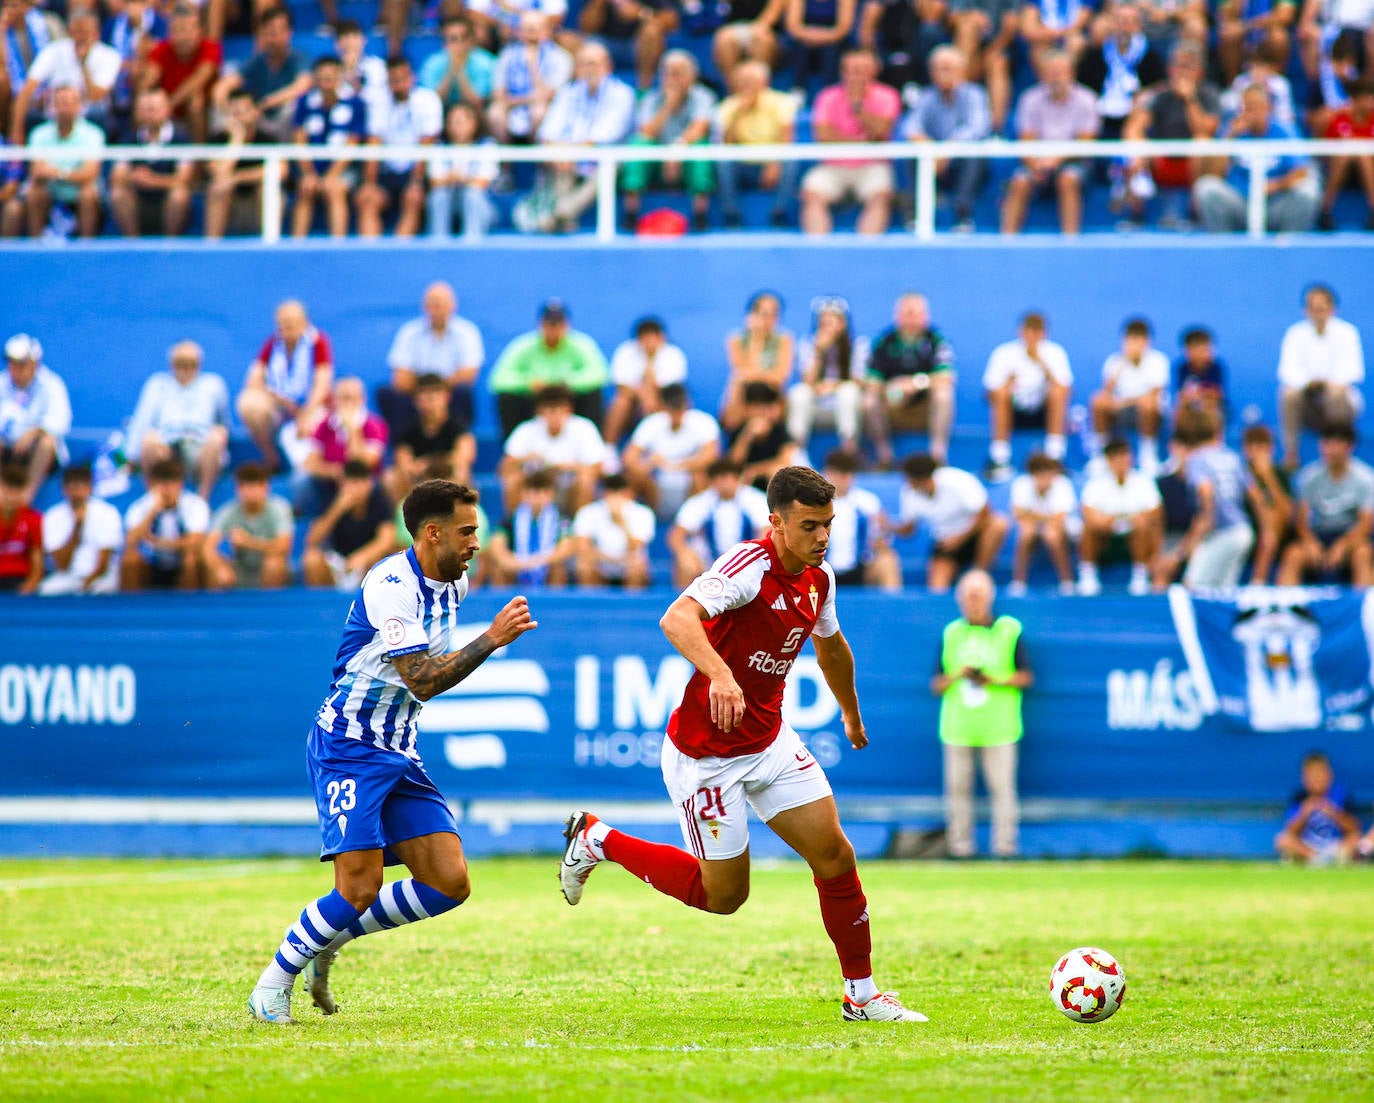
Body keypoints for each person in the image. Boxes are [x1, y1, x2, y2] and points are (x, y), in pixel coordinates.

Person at [558, 465, 927, 1024]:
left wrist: (851, 714)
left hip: (771, 742)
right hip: (706, 758)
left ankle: (863, 995)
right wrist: (722, 676)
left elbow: (832, 650)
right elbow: (677, 618)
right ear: (775, 522)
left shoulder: (818, 578)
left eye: (828, 524)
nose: (822, 537)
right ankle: (598, 839)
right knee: (724, 897)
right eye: (809, 526)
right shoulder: (747, 567)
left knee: (835, 856)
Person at [247, 479, 538, 1024]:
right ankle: (272, 983)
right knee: (358, 886)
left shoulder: (456, 582)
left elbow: (422, 681)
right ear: (432, 533)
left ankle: (327, 940)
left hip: (399, 750)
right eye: (467, 531)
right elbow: (423, 679)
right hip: (349, 746)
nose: (478, 541)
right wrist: (492, 640)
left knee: (449, 883)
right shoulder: (391, 585)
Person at [930, 569, 1031, 859]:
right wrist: (958, 675)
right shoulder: (952, 632)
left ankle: (1005, 848)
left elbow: (1025, 677)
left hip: (1000, 726)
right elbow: (937, 683)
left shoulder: (1009, 629)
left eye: (978, 596)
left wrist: (993, 679)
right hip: (958, 726)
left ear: (989, 598)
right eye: (968, 596)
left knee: (1003, 791)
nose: (973, 602)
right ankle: (960, 849)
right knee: (957, 792)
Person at [799, 49, 901, 236]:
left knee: (880, 196)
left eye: (862, 70)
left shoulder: (888, 96)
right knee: (812, 192)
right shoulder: (827, 97)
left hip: (872, 165)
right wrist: (863, 141)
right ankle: (817, 249)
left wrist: (858, 108)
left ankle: (866, 249)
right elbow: (823, 137)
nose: (857, 76)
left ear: (874, 71)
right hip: (833, 165)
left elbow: (880, 133)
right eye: (852, 70)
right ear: (843, 72)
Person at [536, 41, 636, 232]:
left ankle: (560, 214)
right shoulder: (568, 92)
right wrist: (560, 151)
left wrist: (571, 151)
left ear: (608, 66)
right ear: (577, 68)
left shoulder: (623, 94)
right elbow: (548, 131)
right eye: (584, 64)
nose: (589, 69)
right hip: (568, 157)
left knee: (607, 166)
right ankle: (563, 222)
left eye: (594, 63)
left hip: (604, 159)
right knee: (559, 162)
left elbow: (608, 134)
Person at [1192, 84, 1319, 234]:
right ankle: (1223, 247)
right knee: (1206, 188)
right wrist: (1229, 137)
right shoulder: (1232, 129)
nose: (1248, 113)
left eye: (1253, 108)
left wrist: (1276, 185)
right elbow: (1213, 173)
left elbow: (1301, 171)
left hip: (1274, 203)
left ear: (1267, 108)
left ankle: (1289, 246)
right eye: (1245, 107)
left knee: (1308, 191)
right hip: (1240, 201)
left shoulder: (1284, 131)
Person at [619, 49, 717, 232]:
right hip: (657, 162)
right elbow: (646, 131)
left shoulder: (704, 96)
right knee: (638, 144)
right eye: (668, 73)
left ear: (692, 76)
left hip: (684, 156)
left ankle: (700, 214)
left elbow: (700, 127)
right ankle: (631, 212)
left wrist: (677, 148)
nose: (673, 78)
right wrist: (668, 105)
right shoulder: (651, 98)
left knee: (700, 147)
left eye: (678, 73)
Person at [124, 340, 231, 503]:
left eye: (191, 363)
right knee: (149, 439)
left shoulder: (214, 385)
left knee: (217, 436)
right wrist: (131, 457)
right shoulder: (157, 384)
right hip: (166, 450)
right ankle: (154, 500)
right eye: (180, 363)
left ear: (199, 364)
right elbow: (142, 421)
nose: (186, 368)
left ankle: (203, 499)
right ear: (171, 364)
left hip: (199, 450)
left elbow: (223, 422)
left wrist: (220, 434)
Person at [900, 45, 993, 232]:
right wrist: (932, 151)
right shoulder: (926, 96)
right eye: (937, 69)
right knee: (915, 156)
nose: (942, 74)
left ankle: (962, 215)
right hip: (935, 162)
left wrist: (946, 150)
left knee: (973, 155)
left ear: (962, 71)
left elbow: (977, 128)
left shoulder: (975, 94)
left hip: (962, 162)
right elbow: (910, 127)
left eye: (948, 68)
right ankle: (919, 215)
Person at [1160, 407, 1254, 590]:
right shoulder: (1231, 457)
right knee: (1223, 592)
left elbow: (1206, 492)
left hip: (1222, 532)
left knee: (1193, 587)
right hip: (1243, 531)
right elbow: (1255, 495)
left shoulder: (1197, 460)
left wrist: (1181, 553)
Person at [380, 281, 485, 442]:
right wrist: (425, 393)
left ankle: (458, 444)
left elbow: (469, 374)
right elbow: (400, 377)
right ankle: (402, 447)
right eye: (432, 304)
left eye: (441, 304)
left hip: (449, 392)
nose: (437, 309)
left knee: (463, 392)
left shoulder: (467, 332)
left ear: (453, 305)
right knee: (388, 393)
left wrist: (436, 391)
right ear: (424, 306)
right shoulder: (409, 332)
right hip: (415, 392)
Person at [237, 300, 334, 474]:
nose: (288, 327)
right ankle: (272, 459)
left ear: (305, 322)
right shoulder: (273, 343)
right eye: (284, 323)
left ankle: (307, 471)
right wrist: (278, 398)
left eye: (293, 323)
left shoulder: (318, 342)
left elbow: (322, 384)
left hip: (310, 406)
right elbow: (252, 380)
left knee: (311, 426)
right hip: (280, 406)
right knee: (248, 403)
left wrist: (306, 414)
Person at [488, 298, 610, 438]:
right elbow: (498, 379)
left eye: (558, 323)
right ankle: (511, 447)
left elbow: (599, 374)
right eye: (550, 323)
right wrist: (528, 382)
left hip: (571, 397)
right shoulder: (523, 345)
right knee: (507, 398)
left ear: (567, 324)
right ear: (540, 324)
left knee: (594, 395)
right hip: (533, 399)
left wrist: (567, 383)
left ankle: (594, 445)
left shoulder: (582, 344)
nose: (554, 328)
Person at [1277, 283, 1365, 471]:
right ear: (1306, 310)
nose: (1317, 313)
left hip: (1340, 402)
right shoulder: (1295, 334)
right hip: (1308, 401)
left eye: (1321, 308)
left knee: (1336, 394)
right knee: (1287, 395)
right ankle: (1291, 454)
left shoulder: (1347, 333)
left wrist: (1326, 384)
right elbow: (1288, 371)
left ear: (1332, 309)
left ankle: (1338, 453)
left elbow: (1351, 372)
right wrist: (1309, 384)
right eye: (1313, 308)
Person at [355, 55, 443, 239]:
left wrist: (416, 182)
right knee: (368, 199)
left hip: (415, 172)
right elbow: (374, 144)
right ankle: (371, 256)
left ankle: (399, 254)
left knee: (413, 198)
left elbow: (427, 144)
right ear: (388, 82)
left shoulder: (427, 100)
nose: (400, 84)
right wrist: (370, 183)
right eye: (394, 80)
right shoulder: (379, 103)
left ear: (412, 77)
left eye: (403, 79)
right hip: (387, 172)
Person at [895, 453, 1010, 593]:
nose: (907, 483)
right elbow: (909, 530)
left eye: (909, 479)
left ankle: (979, 574)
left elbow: (986, 514)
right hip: (945, 543)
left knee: (999, 524)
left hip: (975, 535)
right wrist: (888, 526)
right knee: (936, 590)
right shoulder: (908, 493)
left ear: (920, 480)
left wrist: (960, 538)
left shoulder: (957, 481)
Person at [864, 292, 956, 467]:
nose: (911, 319)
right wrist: (893, 389)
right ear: (897, 316)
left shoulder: (936, 340)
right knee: (869, 400)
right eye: (907, 313)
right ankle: (885, 457)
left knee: (944, 394)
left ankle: (937, 456)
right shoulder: (884, 341)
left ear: (925, 316)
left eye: (916, 313)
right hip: (893, 407)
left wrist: (916, 383)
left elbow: (947, 376)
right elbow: (871, 380)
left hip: (924, 408)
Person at [1276, 423, 1374, 586]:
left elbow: (1365, 524)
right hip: (1319, 534)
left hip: (1351, 536)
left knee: (1363, 554)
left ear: (1349, 446)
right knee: (1293, 555)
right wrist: (1310, 542)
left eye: (1335, 444)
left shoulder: (1366, 478)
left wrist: (1343, 545)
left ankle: (1364, 608)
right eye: (1325, 443)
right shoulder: (1309, 476)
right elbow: (1301, 522)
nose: (1328, 450)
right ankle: (1283, 608)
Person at [980, 311, 1072, 482]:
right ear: (1020, 331)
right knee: (1001, 393)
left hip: (1043, 412)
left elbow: (1065, 390)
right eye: (1029, 331)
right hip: (1014, 412)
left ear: (1044, 333)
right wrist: (1007, 384)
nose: (1032, 336)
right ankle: (1000, 458)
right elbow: (989, 394)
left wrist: (1043, 366)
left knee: (1057, 392)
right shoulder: (1004, 353)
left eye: (1037, 331)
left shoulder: (1055, 353)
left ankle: (1054, 457)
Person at [713, 59, 798, 229]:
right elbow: (726, 144)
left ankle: (779, 213)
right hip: (742, 165)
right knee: (722, 161)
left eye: (750, 82)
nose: (746, 86)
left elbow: (786, 137)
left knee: (791, 161)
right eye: (742, 81)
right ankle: (732, 214)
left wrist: (774, 164)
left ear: (764, 82)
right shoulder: (729, 106)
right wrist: (738, 114)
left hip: (770, 162)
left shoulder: (782, 101)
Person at [289, 55, 367, 240]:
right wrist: (309, 173)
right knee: (306, 187)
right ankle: (295, 247)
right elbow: (299, 140)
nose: (326, 83)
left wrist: (332, 175)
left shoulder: (355, 104)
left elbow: (352, 144)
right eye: (322, 79)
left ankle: (337, 246)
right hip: (312, 168)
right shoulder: (304, 103)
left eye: (330, 78)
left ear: (339, 77)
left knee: (334, 189)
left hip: (344, 170)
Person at [499, 383, 607, 514]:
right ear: (540, 410)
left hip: (569, 489)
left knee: (585, 480)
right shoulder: (526, 430)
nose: (555, 414)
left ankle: (579, 528)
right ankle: (516, 526)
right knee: (513, 480)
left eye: (559, 408)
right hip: (535, 491)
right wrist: (526, 459)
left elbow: (599, 469)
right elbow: (504, 469)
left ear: (568, 409)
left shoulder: (584, 428)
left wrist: (565, 467)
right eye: (550, 409)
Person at [18, 83, 106, 239]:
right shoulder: (39, 134)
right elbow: (37, 172)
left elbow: (90, 173)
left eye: (69, 102)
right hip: (50, 189)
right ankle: (36, 247)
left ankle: (87, 248)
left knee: (88, 194)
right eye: (60, 103)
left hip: (78, 190)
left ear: (79, 106)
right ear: (52, 106)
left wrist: (58, 173)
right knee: (34, 192)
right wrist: (70, 174)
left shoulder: (93, 134)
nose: (64, 108)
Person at [622, 382, 721, 519]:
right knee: (632, 476)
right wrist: (647, 464)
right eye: (672, 409)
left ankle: (696, 521)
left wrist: (673, 465)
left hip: (690, 488)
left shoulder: (704, 422)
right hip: (656, 489)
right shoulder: (651, 423)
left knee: (701, 474)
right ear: (663, 406)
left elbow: (711, 456)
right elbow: (628, 458)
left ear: (687, 404)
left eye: (680, 408)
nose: (677, 414)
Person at [786, 296, 870, 457]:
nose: (828, 327)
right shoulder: (808, 344)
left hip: (847, 408)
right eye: (823, 322)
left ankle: (849, 450)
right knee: (798, 392)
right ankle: (796, 451)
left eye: (833, 321)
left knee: (849, 391)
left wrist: (834, 386)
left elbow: (859, 380)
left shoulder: (858, 345)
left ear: (843, 323)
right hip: (817, 406)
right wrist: (819, 351)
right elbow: (807, 381)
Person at [1077, 437, 1161, 596]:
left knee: (1143, 525)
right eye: (1117, 457)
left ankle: (1140, 575)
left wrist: (1130, 520)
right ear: (1108, 460)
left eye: (1125, 455)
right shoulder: (1096, 483)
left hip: (1136, 534)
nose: (1122, 461)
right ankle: (1088, 575)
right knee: (1089, 528)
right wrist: (1103, 521)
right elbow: (1088, 512)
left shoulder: (1143, 481)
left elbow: (1155, 512)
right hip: (1105, 535)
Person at [668, 457, 771, 586]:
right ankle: (684, 603)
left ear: (737, 478)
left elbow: (766, 531)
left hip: (746, 562)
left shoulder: (755, 499)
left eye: (726, 477)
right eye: (716, 478)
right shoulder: (699, 502)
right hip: (706, 563)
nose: (722, 483)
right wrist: (685, 554)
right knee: (685, 564)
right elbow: (677, 535)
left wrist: (752, 557)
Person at [295, 376, 388, 518]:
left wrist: (351, 430)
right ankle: (313, 518)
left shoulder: (374, 425)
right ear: (335, 400)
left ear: (362, 399)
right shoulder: (325, 425)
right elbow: (309, 463)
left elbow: (364, 464)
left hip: (365, 483)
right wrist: (334, 471)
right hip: (332, 482)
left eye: (352, 398)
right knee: (300, 479)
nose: (348, 403)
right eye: (343, 398)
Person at [1088, 317, 1170, 476]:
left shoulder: (1158, 360)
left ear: (1147, 341)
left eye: (1139, 340)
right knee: (1098, 402)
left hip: (1151, 413)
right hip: (1121, 411)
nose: (1135, 345)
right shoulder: (1115, 361)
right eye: (1130, 339)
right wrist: (1123, 363)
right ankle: (1102, 454)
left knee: (1148, 404)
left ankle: (1148, 455)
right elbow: (1106, 392)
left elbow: (1153, 395)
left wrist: (1123, 403)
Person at [108, 87, 194, 238]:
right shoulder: (128, 139)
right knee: (118, 193)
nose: (151, 113)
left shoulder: (181, 139)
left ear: (167, 109)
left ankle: (170, 245)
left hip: (167, 200)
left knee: (179, 194)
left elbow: (184, 179)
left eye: (155, 108)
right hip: (138, 199)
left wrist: (152, 180)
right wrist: (133, 178)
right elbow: (116, 177)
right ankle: (133, 244)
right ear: (137, 112)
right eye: (146, 109)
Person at [301, 460, 398, 591]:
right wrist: (337, 509)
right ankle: (321, 607)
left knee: (384, 557)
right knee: (311, 559)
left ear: (369, 484)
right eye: (351, 482)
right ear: (342, 484)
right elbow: (312, 540)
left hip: (367, 564)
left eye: (360, 482)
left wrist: (361, 557)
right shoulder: (331, 500)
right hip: (337, 562)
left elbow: (386, 540)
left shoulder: (379, 502)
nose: (355, 488)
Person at [120, 457, 210, 591]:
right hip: (151, 564)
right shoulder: (141, 506)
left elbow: (195, 541)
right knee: (129, 559)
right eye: (162, 483)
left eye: (172, 483)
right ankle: (133, 608)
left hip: (181, 562)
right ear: (152, 485)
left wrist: (162, 544)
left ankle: (188, 607)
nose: (167, 489)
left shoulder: (195, 505)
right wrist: (153, 510)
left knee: (191, 559)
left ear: (181, 484)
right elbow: (131, 540)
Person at [385, 372, 476, 504]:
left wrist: (429, 464)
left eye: (432, 398)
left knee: (461, 473)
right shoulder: (408, 429)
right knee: (392, 477)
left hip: (446, 475)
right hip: (417, 478)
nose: (427, 405)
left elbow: (464, 456)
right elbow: (402, 458)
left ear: (446, 397)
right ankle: (403, 518)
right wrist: (415, 468)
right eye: (422, 399)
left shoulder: (458, 427)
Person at [1, 332, 70, 501]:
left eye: (21, 364)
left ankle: (26, 496)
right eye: (12, 363)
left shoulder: (52, 384)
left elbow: (62, 421)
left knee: (47, 443)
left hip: (35, 452)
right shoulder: (2, 383)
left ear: (34, 363)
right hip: (6, 450)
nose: (15, 368)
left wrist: (35, 431)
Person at [204, 462, 294, 591]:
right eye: (246, 487)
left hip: (269, 568)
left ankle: (269, 607)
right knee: (213, 568)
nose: (251, 492)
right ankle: (218, 608)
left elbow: (283, 547)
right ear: (238, 489)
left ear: (265, 488)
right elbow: (208, 547)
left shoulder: (279, 508)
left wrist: (248, 542)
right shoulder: (227, 511)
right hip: (239, 569)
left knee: (274, 564)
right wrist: (218, 566)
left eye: (255, 486)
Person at [822, 449, 901, 590]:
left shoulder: (868, 502)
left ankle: (893, 608)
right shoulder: (816, 503)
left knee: (888, 560)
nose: (845, 479)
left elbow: (881, 540)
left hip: (860, 569)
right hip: (822, 568)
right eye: (840, 474)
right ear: (828, 473)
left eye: (848, 474)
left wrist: (881, 536)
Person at [604, 315, 690, 445]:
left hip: (662, 401)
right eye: (645, 336)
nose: (649, 341)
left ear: (662, 337)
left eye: (654, 336)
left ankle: (661, 447)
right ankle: (608, 448)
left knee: (661, 403)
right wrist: (644, 397)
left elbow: (668, 390)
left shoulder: (673, 354)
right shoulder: (625, 351)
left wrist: (650, 362)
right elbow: (622, 387)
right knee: (620, 402)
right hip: (632, 402)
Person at [37, 464, 122, 595]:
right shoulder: (53, 516)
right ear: (64, 490)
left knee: (101, 589)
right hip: (67, 576)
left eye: (80, 487)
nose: (76, 493)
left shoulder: (107, 513)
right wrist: (77, 527)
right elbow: (61, 565)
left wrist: (85, 584)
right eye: (71, 488)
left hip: (101, 577)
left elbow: (104, 562)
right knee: (47, 590)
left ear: (89, 487)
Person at [721, 291, 795, 431]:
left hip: (772, 393)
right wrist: (756, 339)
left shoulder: (784, 340)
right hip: (745, 395)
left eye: (774, 315)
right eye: (765, 314)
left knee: (776, 403)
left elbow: (780, 377)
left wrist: (755, 375)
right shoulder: (736, 340)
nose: (769, 320)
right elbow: (740, 373)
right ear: (752, 315)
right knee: (735, 384)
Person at [486, 468, 572, 586]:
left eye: (543, 491)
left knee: (558, 568)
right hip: (518, 566)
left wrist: (539, 560)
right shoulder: (511, 519)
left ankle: (553, 603)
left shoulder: (560, 519)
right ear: (524, 493)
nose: (537, 496)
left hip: (546, 566)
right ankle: (503, 602)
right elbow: (497, 545)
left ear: (551, 494)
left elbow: (565, 548)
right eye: (533, 491)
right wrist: (513, 562)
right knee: (499, 569)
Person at [1007, 453, 1077, 595]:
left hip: (1064, 529)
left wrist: (1033, 515)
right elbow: (1018, 514)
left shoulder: (1063, 484)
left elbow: (1059, 519)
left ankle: (1066, 580)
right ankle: (1018, 581)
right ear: (1033, 474)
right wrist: (1044, 518)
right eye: (1040, 473)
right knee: (1026, 533)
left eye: (1048, 472)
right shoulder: (1021, 484)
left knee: (1051, 535)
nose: (1044, 477)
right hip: (1035, 526)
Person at [427, 102, 499, 240]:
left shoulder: (487, 146)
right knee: (439, 196)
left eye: (460, 122)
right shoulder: (439, 147)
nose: (456, 127)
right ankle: (437, 242)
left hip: (482, 206)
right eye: (451, 123)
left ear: (473, 124)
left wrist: (460, 178)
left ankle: (472, 242)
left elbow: (482, 182)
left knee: (472, 195)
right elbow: (435, 182)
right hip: (450, 202)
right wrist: (452, 178)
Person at [571, 473, 656, 588]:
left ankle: (631, 605)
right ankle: (593, 604)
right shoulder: (588, 512)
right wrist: (610, 559)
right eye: (611, 493)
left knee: (637, 567)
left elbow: (635, 547)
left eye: (620, 493)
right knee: (584, 565)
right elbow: (582, 547)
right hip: (600, 563)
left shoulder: (643, 513)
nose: (615, 497)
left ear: (629, 493)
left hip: (629, 563)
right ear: (604, 494)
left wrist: (622, 523)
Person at [1274, 752, 1361, 865]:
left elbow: (1354, 827)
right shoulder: (1299, 796)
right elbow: (1290, 830)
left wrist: (1334, 813)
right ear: (1304, 778)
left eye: (1320, 774)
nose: (1316, 779)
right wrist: (1304, 814)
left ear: (1329, 775)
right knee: (1282, 839)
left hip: (1334, 846)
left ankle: (1336, 858)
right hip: (1308, 847)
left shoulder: (1341, 794)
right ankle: (1317, 860)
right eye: (1312, 775)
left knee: (1356, 838)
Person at [1318, 78, 1374, 231]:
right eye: (1366, 98)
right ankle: (1325, 210)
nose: (1370, 102)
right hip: (1341, 172)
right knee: (1345, 152)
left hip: (1370, 172)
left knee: (1363, 155)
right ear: (1355, 99)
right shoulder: (1339, 120)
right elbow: (1325, 151)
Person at [726, 381, 802, 492]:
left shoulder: (779, 429)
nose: (761, 412)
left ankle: (779, 508)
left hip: (768, 482)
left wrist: (755, 471)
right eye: (757, 406)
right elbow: (733, 465)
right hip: (745, 484)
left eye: (765, 406)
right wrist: (747, 436)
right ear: (746, 409)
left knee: (777, 472)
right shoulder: (739, 430)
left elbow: (785, 461)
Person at [1241, 423, 1292, 584]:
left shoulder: (1280, 474)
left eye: (1262, 445)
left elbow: (1289, 514)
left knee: (1271, 533)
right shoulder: (1241, 475)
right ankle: (1257, 582)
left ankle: (1259, 583)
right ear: (1245, 449)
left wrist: (1268, 477)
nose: (1257, 451)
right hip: (1249, 531)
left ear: (1271, 448)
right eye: (1252, 445)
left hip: (1280, 534)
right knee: (1267, 533)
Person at [0, 462, 42, 593]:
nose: (12, 497)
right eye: (8, 491)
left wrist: (32, 583)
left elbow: (36, 556)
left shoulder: (33, 518)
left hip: (19, 578)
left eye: (17, 492)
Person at [1173, 326, 1227, 423]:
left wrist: (1200, 396)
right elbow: (1182, 395)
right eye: (1200, 350)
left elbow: (1217, 394)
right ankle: (1180, 437)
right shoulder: (1182, 368)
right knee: (1180, 410)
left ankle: (1214, 437)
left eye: (1207, 349)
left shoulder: (1216, 368)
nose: (1205, 353)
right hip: (1190, 405)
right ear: (1188, 351)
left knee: (1214, 409)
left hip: (1211, 405)